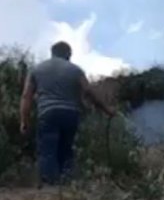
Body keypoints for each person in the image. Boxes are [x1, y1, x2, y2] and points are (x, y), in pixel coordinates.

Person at [19, 41, 116, 186]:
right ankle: (67, 186)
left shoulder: (37, 70)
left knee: (47, 151)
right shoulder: (75, 70)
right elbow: (89, 92)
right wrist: (106, 109)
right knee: (66, 150)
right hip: (70, 114)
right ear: (68, 54)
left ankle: (50, 188)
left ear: (52, 53)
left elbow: (26, 96)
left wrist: (24, 121)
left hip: (48, 113)